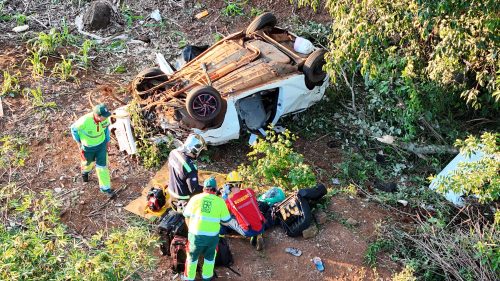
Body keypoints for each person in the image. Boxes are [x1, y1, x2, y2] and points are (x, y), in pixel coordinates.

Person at [183, 177, 231, 281]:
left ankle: (189, 278)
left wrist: (190, 230)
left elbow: (186, 215)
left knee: (191, 258)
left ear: (204, 188)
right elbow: (226, 222)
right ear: (216, 189)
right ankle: (206, 277)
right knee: (210, 258)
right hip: (212, 238)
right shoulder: (220, 202)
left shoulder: (195, 198)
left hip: (195, 236)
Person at [70, 103, 114, 197]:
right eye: (104, 116)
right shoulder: (84, 121)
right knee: (87, 163)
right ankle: (85, 172)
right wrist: (78, 141)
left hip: (101, 146)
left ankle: (105, 189)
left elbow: (106, 129)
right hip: (88, 148)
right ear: (97, 116)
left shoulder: (104, 119)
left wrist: (107, 141)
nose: (106, 118)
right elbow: (73, 129)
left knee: (102, 166)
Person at [222, 171, 266, 251]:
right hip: (262, 225)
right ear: (240, 183)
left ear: (229, 186)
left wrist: (225, 197)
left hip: (248, 231)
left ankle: (221, 236)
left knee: (227, 219)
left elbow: (223, 212)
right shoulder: (250, 191)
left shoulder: (229, 201)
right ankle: (259, 234)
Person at [167, 134, 206, 212]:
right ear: (196, 150)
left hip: (171, 189)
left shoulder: (173, 152)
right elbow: (193, 189)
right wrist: (205, 189)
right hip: (183, 197)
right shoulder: (190, 168)